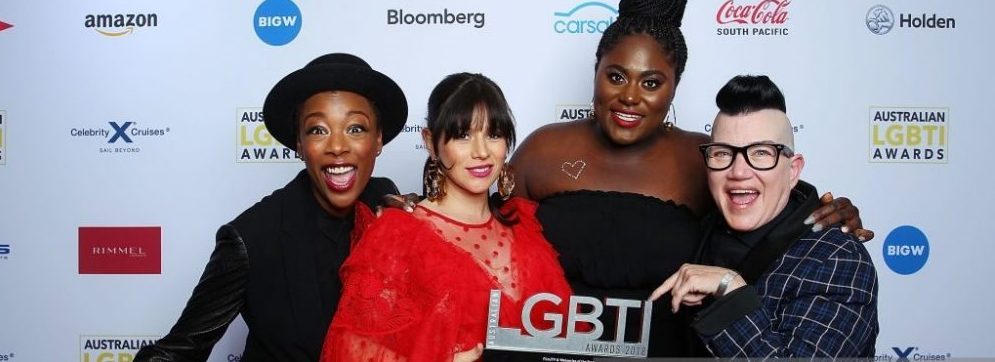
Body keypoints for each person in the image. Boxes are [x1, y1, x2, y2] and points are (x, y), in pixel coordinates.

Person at [509, 0, 872, 356]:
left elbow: (769, 202)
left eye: (651, 83)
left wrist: (829, 214)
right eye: (616, 77)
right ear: (596, 71)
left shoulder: (707, 160)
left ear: (674, 85)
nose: (630, 96)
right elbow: (484, 237)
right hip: (547, 347)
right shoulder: (542, 150)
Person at [135, 53, 408, 361]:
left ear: (378, 139)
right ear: (299, 145)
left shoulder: (386, 202)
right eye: (318, 130)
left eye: (356, 128)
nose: (337, 146)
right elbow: (175, 353)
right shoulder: (251, 239)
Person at [320, 73, 576, 362]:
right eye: (463, 135)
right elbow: (351, 349)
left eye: (493, 134)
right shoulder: (397, 235)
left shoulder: (525, 230)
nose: (481, 152)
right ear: (431, 142)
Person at [650, 75, 879, 357]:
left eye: (760, 153)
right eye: (722, 153)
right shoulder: (699, 228)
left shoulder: (836, 259)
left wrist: (730, 289)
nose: (738, 172)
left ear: (793, 170)